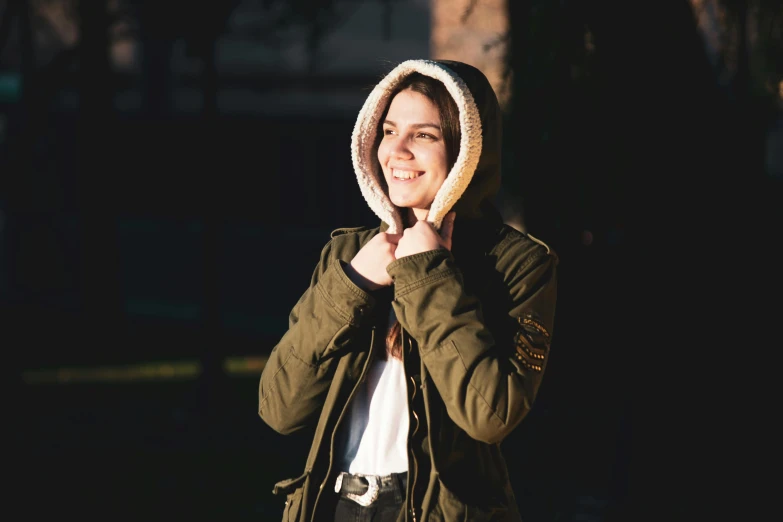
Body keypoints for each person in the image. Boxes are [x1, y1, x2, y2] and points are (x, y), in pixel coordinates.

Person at [258, 59, 558, 522]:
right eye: (389, 130)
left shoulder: (518, 264)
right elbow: (279, 408)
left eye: (424, 135)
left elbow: (491, 414)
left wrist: (429, 275)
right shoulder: (350, 254)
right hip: (330, 507)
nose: (396, 150)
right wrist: (352, 285)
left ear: (468, 151)